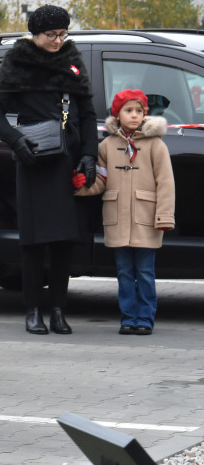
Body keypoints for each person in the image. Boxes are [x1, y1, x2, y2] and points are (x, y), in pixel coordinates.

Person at [0, 4, 97, 336]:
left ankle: (58, 310)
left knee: (64, 241)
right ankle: (33, 310)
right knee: (33, 243)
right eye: (52, 35)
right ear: (35, 34)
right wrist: (15, 141)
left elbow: (88, 112)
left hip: (67, 162)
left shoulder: (72, 60)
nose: (58, 40)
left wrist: (89, 154)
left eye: (63, 34)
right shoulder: (18, 61)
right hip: (33, 161)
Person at [77, 89, 174, 335]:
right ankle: (128, 317)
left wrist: (163, 217)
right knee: (123, 273)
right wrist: (82, 186)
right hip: (117, 220)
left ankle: (145, 319)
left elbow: (165, 183)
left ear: (144, 114)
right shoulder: (107, 146)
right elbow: (101, 181)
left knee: (145, 272)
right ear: (117, 115)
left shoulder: (156, 145)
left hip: (146, 221)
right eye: (128, 111)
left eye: (138, 111)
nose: (134, 115)